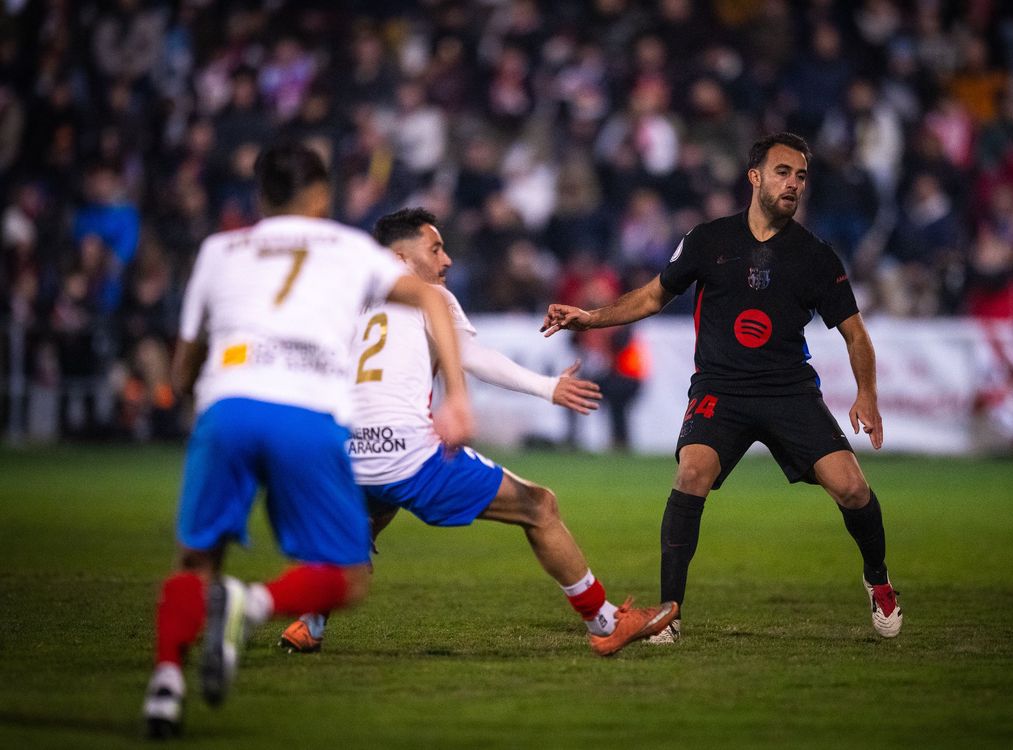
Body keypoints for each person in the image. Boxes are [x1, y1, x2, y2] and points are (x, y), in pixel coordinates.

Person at [142, 144, 475, 738]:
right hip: (306, 414)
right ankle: (252, 602)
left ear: (260, 197)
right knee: (345, 575)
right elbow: (428, 297)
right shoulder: (350, 250)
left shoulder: (219, 251)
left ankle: (166, 685)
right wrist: (456, 394)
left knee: (195, 558)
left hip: (229, 408)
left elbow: (180, 371)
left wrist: (193, 389)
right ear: (321, 196)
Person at [542, 132, 902, 644]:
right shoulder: (708, 240)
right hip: (721, 387)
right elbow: (650, 298)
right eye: (783, 172)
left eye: (801, 176)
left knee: (852, 488)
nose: (793, 184)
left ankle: (879, 580)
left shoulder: (816, 257)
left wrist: (867, 394)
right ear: (754, 177)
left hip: (788, 389)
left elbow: (855, 333)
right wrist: (590, 318)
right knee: (691, 473)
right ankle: (670, 614)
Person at [277, 208, 678, 658]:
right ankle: (605, 620)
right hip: (407, 452)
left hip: (346, 453)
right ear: (401, 257)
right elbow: (474, 356)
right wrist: (547, 386)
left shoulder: (348, 300)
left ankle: (309, 621)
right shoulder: (428, 296)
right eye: (435, 249)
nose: (447, 260)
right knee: (540, 506)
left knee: (373, 512)